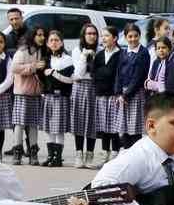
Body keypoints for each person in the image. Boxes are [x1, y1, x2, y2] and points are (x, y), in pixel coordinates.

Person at [9, 26, 46, 163]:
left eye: (43, 35)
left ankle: (33, 152)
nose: (42, 37)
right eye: (39, 34)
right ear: (33, 36)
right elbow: (14, 68)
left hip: (36, 93)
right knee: (19, 123)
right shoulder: (23, 51)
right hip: (22, 93)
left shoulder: (42, 51)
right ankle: (17, 152)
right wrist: (33, 67)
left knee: (33, 124)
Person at [113, 24, 151, 151]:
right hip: (122, 95)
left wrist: (126, 95)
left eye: (136, 36)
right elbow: (118, 73)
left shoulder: (143, 53)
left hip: (135, 93)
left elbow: (139, 76)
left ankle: (135, 155)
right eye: (130, 36)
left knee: (134, 128)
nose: (133, 39)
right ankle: (126, 152)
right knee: (123, 128)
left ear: (139, 36)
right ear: (125, 37)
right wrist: (118, 93)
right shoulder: (124, 52)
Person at [39, 29, 74, 167]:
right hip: (47, 96)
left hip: (60, 97)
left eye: (56, 40)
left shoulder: (67, 59)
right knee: (48, 128)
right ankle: (50, 155)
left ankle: (58, 157)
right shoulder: (46, 59)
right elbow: (41, 78)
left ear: (62, 42)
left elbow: (70, 80)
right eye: (51, 40)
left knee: (58, 128)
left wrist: (54, 73)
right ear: (47, 43)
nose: (54, 43)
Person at [89, 23, 124, 159]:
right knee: (103, 125)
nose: (103, 39)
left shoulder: (121, 54)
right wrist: (102, 74)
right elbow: (93, 72)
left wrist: (105, 74)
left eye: (107, 36)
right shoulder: (99, 55)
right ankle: (105, 152)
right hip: (100, 94)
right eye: (102, 36)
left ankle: (115, 152)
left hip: (113, 95)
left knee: (114, 126)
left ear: (115, 38)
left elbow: (118, 74)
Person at [69, 24, 102, 167]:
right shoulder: (77, 50)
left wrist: (94, 57)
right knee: (79, 119)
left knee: (92, 120)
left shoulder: (100, 51)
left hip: (94, 87)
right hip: (80, 87)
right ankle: (78, 154)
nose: (92, 36)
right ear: (83, 35)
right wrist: (84, 55)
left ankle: (90, 154)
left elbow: (99, 73)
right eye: (89, 33)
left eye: (94, 33)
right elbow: (79, 73)